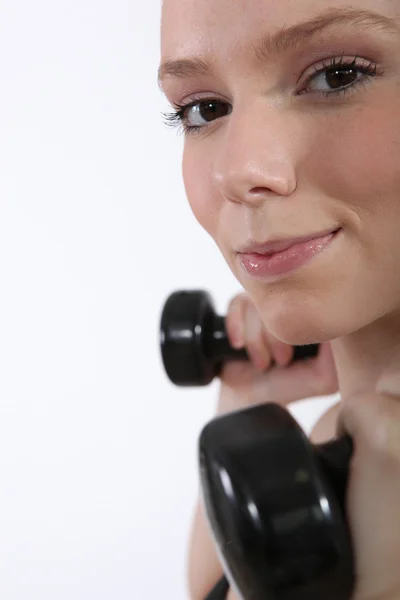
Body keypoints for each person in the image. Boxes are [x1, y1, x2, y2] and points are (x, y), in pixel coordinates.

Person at [158, 0, 400, 598]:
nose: (239, 171)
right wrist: (249, 406)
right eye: (204, 109)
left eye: (338, 75)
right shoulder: (333, 443)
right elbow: (216, 588)